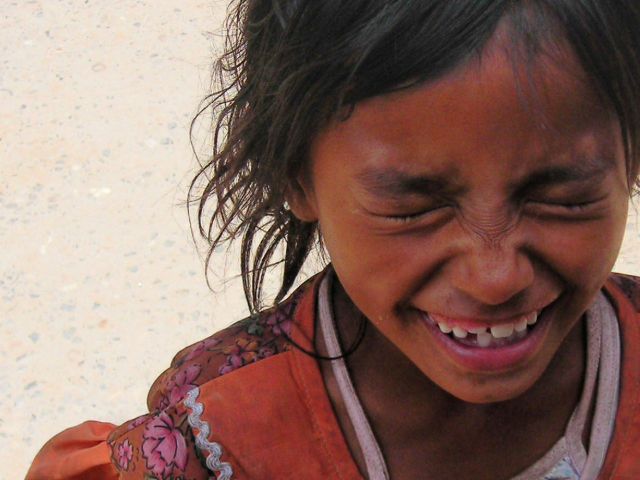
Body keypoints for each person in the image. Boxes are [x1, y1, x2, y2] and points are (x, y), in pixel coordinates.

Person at [27, 0, 640, 478]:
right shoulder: (215, 441)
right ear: (298, 175)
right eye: (413, 207)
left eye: (564, 198)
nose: (495, 274)